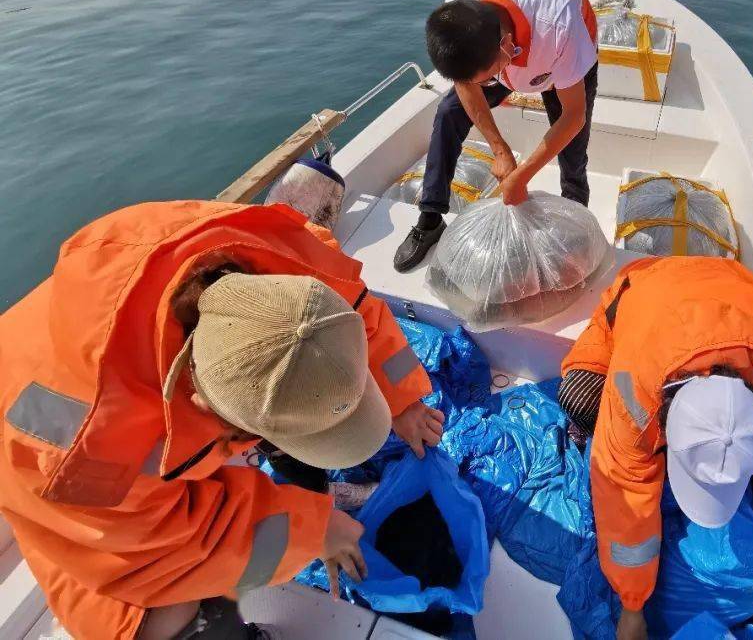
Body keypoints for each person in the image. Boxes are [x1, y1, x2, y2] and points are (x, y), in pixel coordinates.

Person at [0, 200, 445, 640]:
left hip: (113, 347)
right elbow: (170, 548)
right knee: (162, 619)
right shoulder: (87, 459)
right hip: (59, 497)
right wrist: (312, 531)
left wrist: (403, 401)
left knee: (291, 402)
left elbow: (356, 313)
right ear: (209, 410)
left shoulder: (284, 274)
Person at [556, 256, 753, 640]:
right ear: (664, 423)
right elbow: (625, 503)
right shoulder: (631, 399)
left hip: (731, 289)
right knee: (581, 397)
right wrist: (633, 607)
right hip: (646, 287)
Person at [394, 0, 599, 272]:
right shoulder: (459, 5)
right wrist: (500, 150)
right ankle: (431, 218)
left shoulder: (560, 25)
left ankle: (574, 225)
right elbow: (466, 83)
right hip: (508, 51)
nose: (483, 86)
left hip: (560, 55)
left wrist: (522, 176)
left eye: (488, 77)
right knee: (449, 111)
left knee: (572, 151)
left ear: (507, 47)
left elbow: (573, 116)